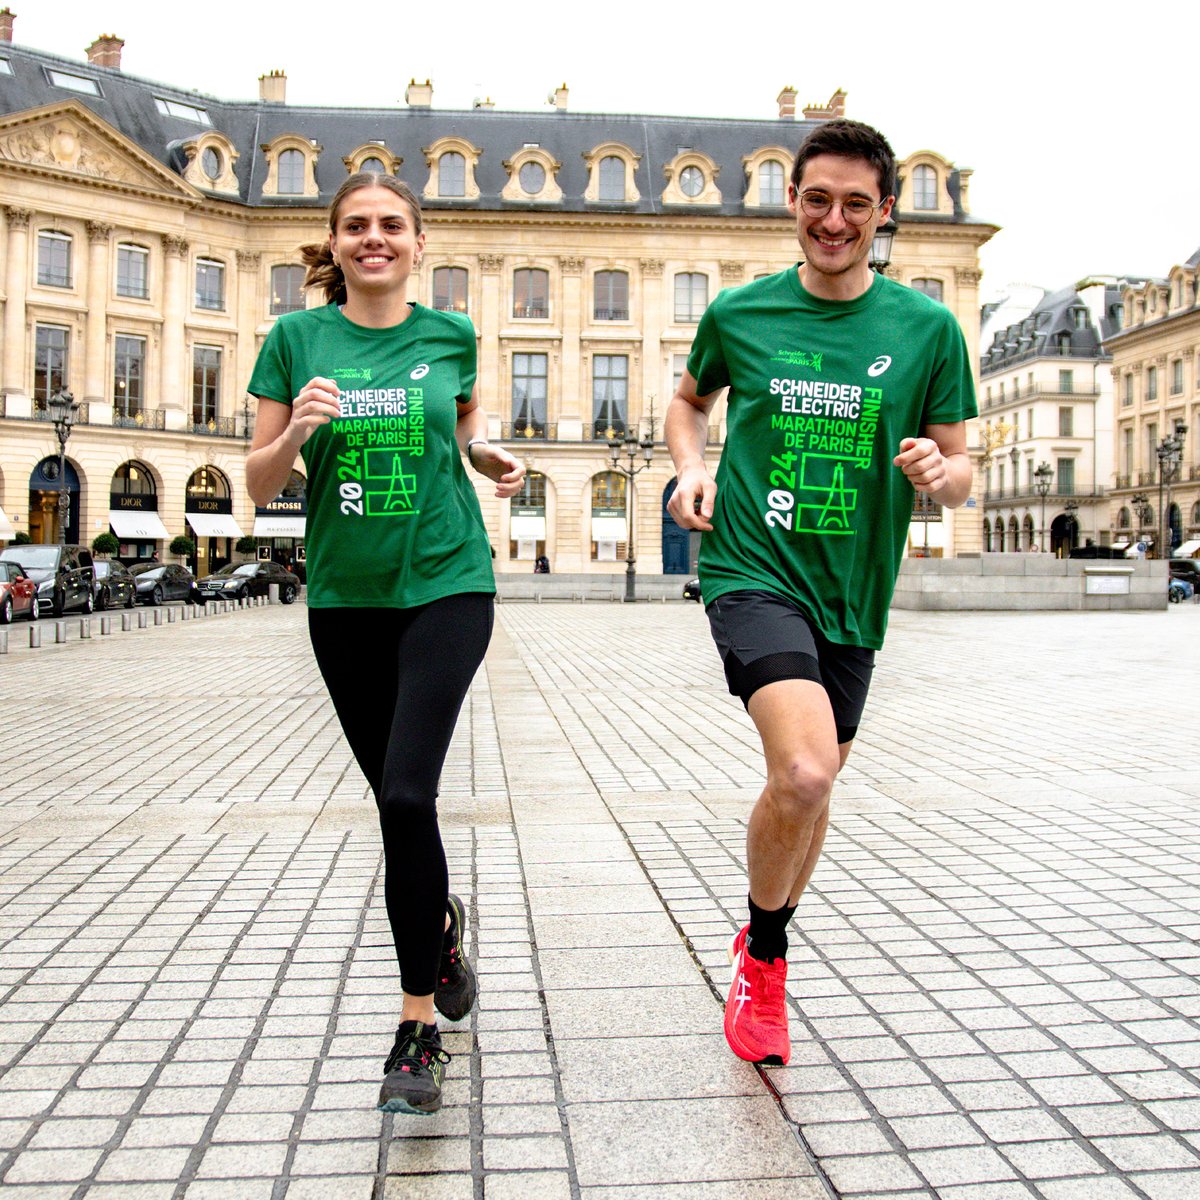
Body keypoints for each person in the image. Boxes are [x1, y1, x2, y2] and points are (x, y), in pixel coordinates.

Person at [666, 119, 975, 1066]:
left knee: (814, 779)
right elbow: (688, 402)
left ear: (884, 212)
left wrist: (941, 472)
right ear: (792, 202)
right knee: (804, 770)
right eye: (816, 200)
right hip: (753, 568)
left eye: (854, 204)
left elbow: (961, 468)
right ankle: (765, 959)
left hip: (854, 592)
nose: (833, 221)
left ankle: (761, 944)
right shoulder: (741, 312)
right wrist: (691, 468)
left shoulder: (927, 329)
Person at [245, 172, 523, 1114]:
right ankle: (438, 930)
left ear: (417, 242)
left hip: (448, 582)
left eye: (392, 225)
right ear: (335, 241)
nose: (376, 238)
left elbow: (463, 428)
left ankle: (415, 1030)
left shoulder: (451, 334)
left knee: (409, 792)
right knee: (397, 811)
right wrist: (297, 431)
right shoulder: (296, 340)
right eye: (357, 225)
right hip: (346, 597)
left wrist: (487, 454)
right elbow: (257, 480)